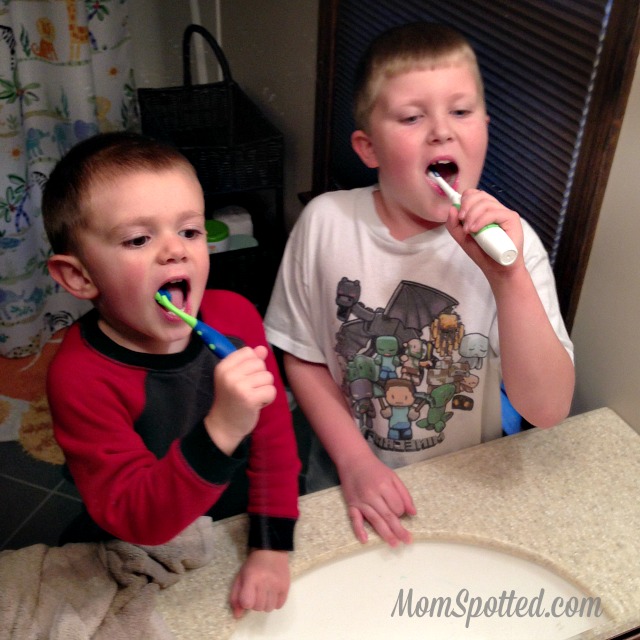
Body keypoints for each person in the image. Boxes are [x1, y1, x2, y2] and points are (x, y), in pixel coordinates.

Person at [264, 23, 574, 549]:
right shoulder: (326, 223)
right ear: (368, 147)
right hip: (342, 477)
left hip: (466, 480)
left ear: (485, 127)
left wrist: (509, 278)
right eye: (412, 117)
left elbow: (547, 409)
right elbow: (304, 356)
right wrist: (356, 461)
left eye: (461, 111)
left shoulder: (515, 246)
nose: (441, 132)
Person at [42, 131, 301, 619]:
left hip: (236, 521)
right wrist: (222, 427)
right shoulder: (77, 377)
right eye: (139, 239)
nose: (174, 252)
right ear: (80, 277)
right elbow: (137, 518)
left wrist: (270, 543)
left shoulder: (238, 318)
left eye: (190, 231)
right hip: (140, 537)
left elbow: (276, 445)